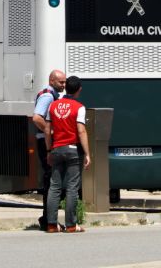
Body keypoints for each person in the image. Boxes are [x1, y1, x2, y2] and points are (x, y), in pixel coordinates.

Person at [44, 75, 90, 233]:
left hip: (56, 149)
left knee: (54, 187)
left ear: (66, 87)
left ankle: (51, 224)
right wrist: (87, 153)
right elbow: (81, 130)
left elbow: (47, 130)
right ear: (79, 90)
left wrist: (49, 150)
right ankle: (71, 224)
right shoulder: (79, 107)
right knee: (72, 188)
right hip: (73, 150)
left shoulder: (53, 106)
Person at [32, 69, 66, 231]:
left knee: (52, 179)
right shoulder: (47, 96)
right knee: (51, 180)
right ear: (52, 81)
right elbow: (37, 117)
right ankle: (47, 218)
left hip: (46, 141)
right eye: (61, 82)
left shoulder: (52, 95)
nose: (64, 85)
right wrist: (50, 132)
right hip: (44, 142)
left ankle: (48, 217)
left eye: (65, 82)